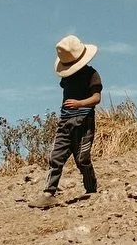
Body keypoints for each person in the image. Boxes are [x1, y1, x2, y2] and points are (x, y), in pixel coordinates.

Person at [29, 35, 102, 207]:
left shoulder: (92, 74)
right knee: (56, 157)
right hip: (65, 122)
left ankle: (91, 189)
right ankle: (48, 193)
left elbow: (96, 98)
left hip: (84, 121)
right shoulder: (67, 78)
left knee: (82, 158)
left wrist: (80, 104)